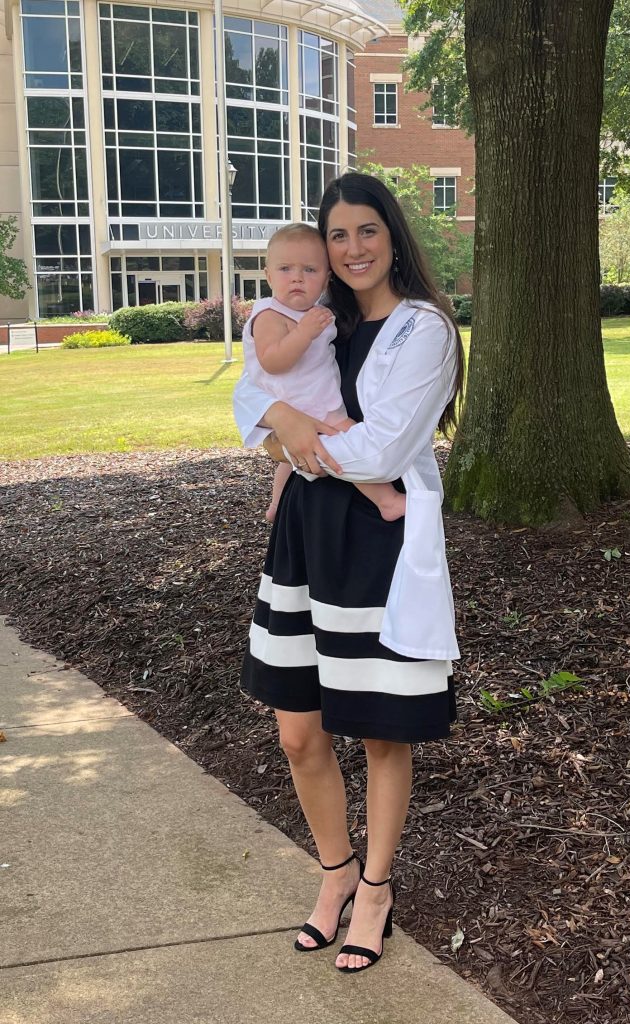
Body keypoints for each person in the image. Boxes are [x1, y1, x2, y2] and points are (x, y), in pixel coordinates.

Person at [232, 172, 464, 974]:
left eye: (367, 230)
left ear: (392, 236)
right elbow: (244, 398)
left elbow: (384, 451)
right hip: (302, 533)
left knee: (375, 728)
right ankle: (332, 872)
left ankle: (374, 890)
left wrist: (285, 429)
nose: (352, 247)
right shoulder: (312, 322)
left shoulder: (421, 330)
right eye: (337, 235)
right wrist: (281, 423)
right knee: (298, 732)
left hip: (373, 543)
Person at [244, 223, 406, 523]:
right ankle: (387, 500)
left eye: (309, 270)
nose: (296, 278)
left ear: (326, 278)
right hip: (304, 405)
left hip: (313, 400)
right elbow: (272, 361)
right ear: (267, 275)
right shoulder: (269, 315)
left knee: (293, 460)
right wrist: (303, 334)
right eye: (285, 269)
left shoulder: (316, 313)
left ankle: (277, 505)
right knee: (348, 435)